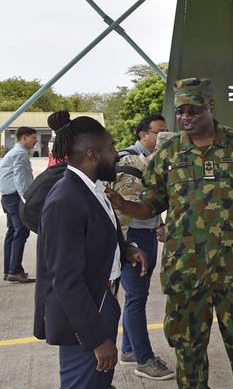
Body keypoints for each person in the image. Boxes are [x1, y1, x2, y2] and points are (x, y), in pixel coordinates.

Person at [109, 77, 233, 388]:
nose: (186, 118)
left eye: (193, 110)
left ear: (210, 106)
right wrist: (124, 204)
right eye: (181, 112)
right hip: (185, 271)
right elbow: (151, 204)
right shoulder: (168, 153)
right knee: (188, 350)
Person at [33, 114, 148, 389]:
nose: (116, 153)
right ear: (92, 154)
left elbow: (97, 234)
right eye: (111, 147)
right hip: (86, 313)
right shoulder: (66, 200)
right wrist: (96, 338)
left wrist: (126, 249)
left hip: (100, 300)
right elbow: (65, 279)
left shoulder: (93, 190)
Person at [112, 113, 175, 381]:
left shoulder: (151, 160)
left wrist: (158, 222)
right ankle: (144, 359)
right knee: (136, 298)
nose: (163, 138)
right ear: (143, 136)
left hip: (146, 232)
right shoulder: (129, 161)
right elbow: (130, 206)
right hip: (132, 237)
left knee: (139, 297)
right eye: (158, 133)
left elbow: (151, 202)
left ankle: (128, 349)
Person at [1, 126, 38, 283]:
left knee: (12, 232)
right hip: (16, 197)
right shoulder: (20, 154)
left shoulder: (14, 152)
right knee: (21, 232)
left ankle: (9, 270)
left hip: (8, 197)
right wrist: (27, 198)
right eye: (33, 138)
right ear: (23, 138)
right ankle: (15, 271)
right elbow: (20, 177)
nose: (35, 141)